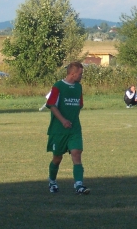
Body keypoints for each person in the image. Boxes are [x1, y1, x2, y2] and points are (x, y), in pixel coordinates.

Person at [45, 62, 90, 195]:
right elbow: (51, 105)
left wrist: (72, 120)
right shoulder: (58, 86)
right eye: (80, 74)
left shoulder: (78, 87)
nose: (81, 76)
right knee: (57, 158)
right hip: (58, 130)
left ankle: (79, 185)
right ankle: (52, 181)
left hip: (74, 129)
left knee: (76, 154)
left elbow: (79, 105)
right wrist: (63, 120)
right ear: (72, 73)